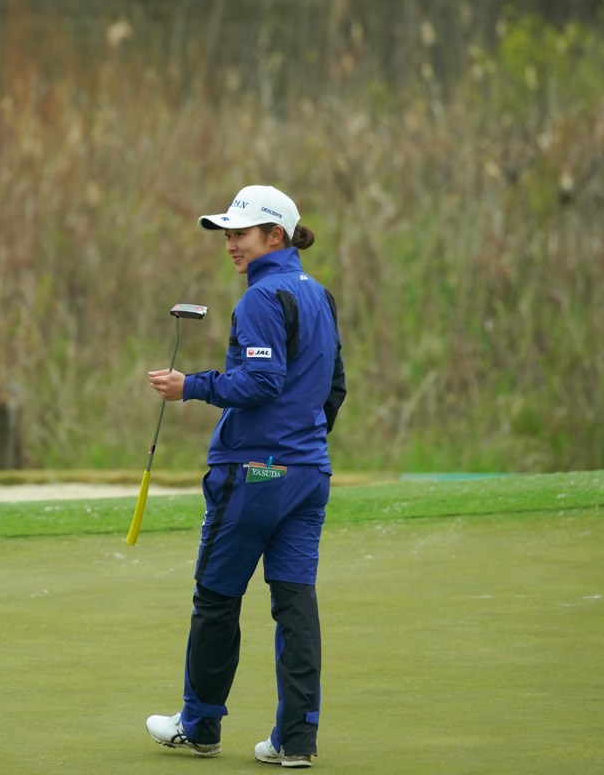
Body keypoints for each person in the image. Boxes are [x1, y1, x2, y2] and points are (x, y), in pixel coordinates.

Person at [143, 184, 346, 768]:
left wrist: (191, 386)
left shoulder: (261, 298)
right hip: (308, 474)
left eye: (241, 234)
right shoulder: (320, 295)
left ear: (275, 236)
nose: (231, 244)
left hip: (254, 473)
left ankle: (201, 726)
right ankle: (296, 740)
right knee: (294, 602)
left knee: (216, 599)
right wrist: (301, 446)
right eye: (227, 234)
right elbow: (336, 388)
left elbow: (260, 383)